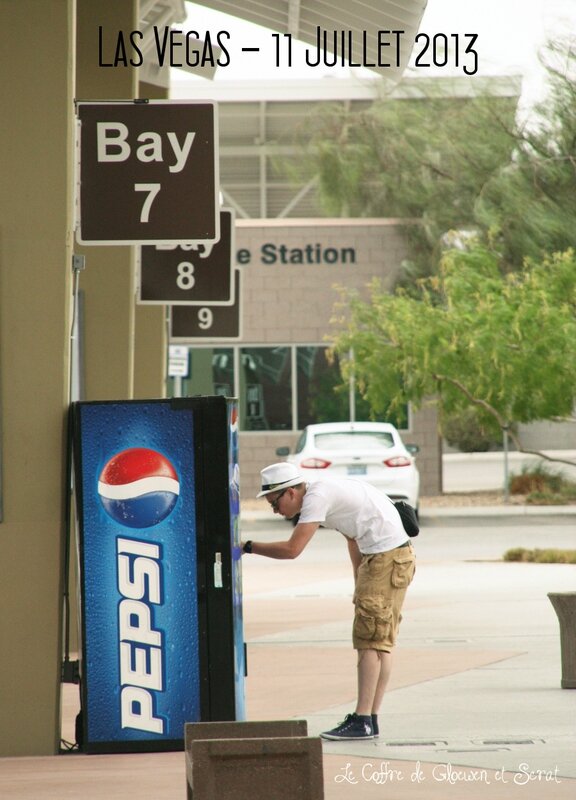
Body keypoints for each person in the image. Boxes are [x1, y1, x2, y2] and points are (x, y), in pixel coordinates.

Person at [241, 462, 416, 741]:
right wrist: (359, 583)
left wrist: (246, 547)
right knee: (382, 642)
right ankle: (370, 718)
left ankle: (362, 720)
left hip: (386, 559)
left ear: (291, 493)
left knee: (370, 642)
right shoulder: (325, 491)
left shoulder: (316, 498)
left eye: (274, 503)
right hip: (392, 558)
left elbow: (292, 550)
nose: (275, 511)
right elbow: (352, 537)